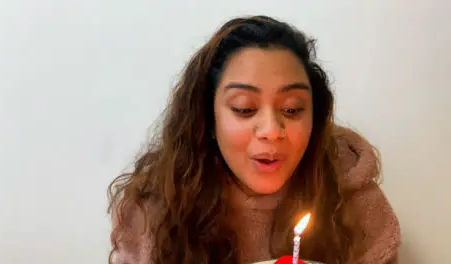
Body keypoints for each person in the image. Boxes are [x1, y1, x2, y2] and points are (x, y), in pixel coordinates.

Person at [107, 15, 401, 264]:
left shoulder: (352, 200)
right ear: (209, 118)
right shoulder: (154, 212)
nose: (272, 130)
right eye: (244, 109)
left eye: (292, 109)